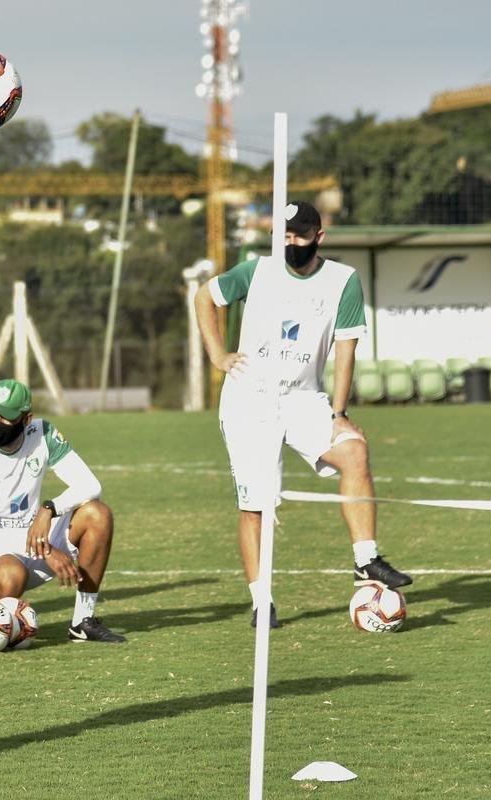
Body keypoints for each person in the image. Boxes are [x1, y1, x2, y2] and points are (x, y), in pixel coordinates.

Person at [194, 200, 412, 630]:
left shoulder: (343, 281)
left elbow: (346, 350)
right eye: (285, 236)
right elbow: (205, 297)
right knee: (255, 506)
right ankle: (262, 602)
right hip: (249, 400)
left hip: (303, 398)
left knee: (354, 452)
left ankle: (366, 560)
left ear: (319, 237)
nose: (292, 244)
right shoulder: (257, 271)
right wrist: (217, 354)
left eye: (300, 236)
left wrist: (339, 412)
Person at [0, 379, 125, 643]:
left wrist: (50, 509)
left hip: (32, 539)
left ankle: (83, 622)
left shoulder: (42, 433)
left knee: (97, 514)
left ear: (26, 419)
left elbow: (90, 485)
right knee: (12, 576)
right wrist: (45, 548)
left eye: (5, 417)